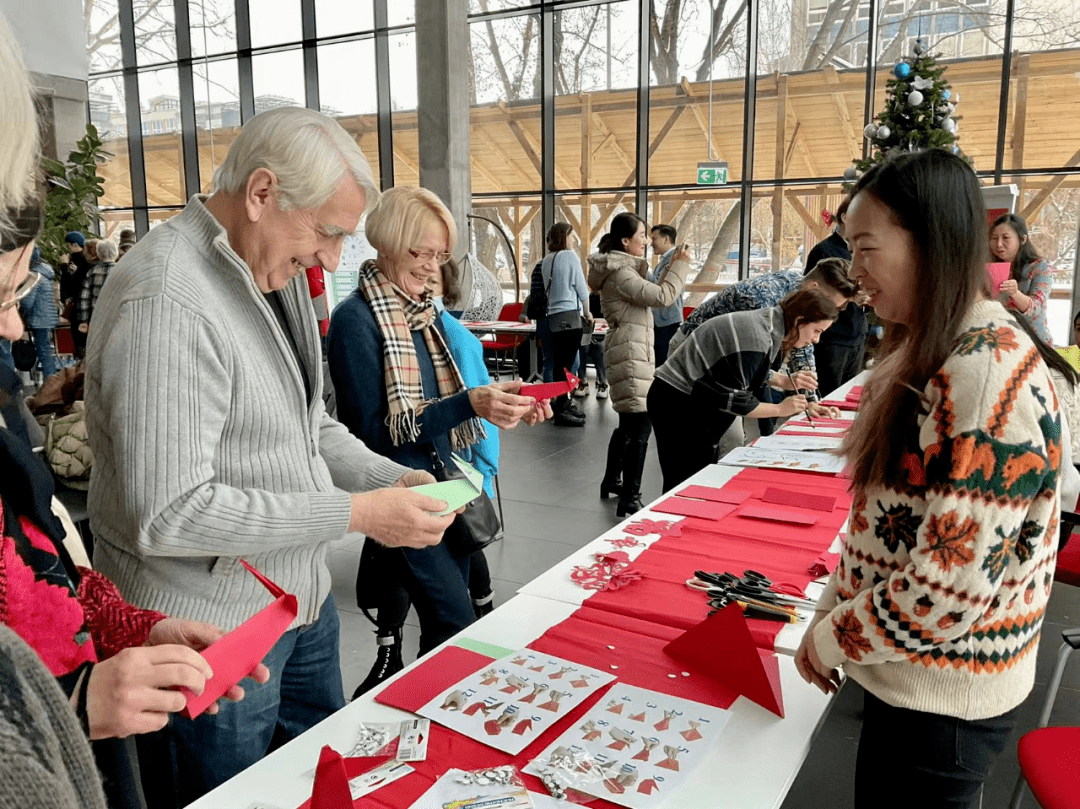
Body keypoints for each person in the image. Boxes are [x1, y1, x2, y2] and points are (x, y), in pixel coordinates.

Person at [85, 107, 460, 805]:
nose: (334, 259)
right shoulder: (166, 296)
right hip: (210, 634)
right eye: (328, 232)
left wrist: (393, 479)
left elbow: (307, 424)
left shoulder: (275, 274)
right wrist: (356, 513)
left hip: (297, 607)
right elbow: (168, 513)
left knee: (313, 788)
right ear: (261, 194)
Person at [794, 149, 1067, 808]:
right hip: (914, 676)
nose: (854, 272)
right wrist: (834, 609)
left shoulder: (979, 375)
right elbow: (884, 523)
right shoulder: (935, 345)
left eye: (865, 248)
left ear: (929, 241)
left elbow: (947, 590)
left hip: (942, 702)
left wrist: (832, 636)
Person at [327, 186, 549, 697]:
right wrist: (470, 404)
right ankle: (433, 719)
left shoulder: (427, 316)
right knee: (452, 619)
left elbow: (451, 401)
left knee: (460, 618)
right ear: (386, 242)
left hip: (450, 485)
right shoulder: (357, 321)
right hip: (403, 496)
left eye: (440, 255)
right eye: (419, 252)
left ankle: (437, 713)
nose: (431, 268)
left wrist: (507, 401)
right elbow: (373, 435)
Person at [649, 289, 838, 491]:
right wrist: (781, 409)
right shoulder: (757, 336)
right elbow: (736, 400)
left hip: (692, 396)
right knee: (683, 482)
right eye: (817, 331)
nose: (816, 340)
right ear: (799, 320)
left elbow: (742, 369)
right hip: (678, 402)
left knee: (694, 477)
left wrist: (783, 381)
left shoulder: (768, 323)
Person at [589, 212, 691, 516]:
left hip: (630, 351)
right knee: (640, 428)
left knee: (628, 426)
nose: (647, 240)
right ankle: (630, 498)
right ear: (626, 240)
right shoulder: (622, 274)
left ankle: (612, 480)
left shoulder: (623, 270)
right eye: (643, 235)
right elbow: (664, 296)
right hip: (630, 355)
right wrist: (680, 265)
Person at [804, 198, 869, 395]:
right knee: (829, 394)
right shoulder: (824, 250)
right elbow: (810, 295)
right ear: (845, 218)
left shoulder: (863, 249)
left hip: (858, 333)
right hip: (832, 337)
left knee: (848, 395)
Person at [541, 223, 590, 426]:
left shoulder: (546, 260)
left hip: (553, 318)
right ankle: (562, 408)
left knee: (559, 364)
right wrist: (588, 312)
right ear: (564, 237)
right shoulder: (570, 257)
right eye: (571, 235)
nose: (573, 240)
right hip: (571, 318)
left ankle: (563, 403)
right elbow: (581, 288)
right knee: (567, 366)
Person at [991, 212, 1053, 344]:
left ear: (1023, 239)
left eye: (1005, 238)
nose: (999, 244)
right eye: (994, 238)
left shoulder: (1040, 266)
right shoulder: (988, 267)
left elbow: (1036, 309)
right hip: (1000, 340)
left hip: (1034, 342)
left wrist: (1015, 293)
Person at [20, 247, 60, 379]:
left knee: (44, 352)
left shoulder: (33, 276)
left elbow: (28, 302)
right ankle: (52, 380)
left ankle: (50, 382)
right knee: (46, 351)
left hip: (39, 318)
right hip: (47, 317)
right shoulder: (46, 273)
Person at [648, 224, 683, 366]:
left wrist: (642, 274)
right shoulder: (663, 261)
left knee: (663, 362)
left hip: (667, 319)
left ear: (666, 239)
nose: (651, 243)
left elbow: (660, 287)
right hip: (661, 320)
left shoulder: (675, 260)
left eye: (654, 238)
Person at [76, 238, 117, 334]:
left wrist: (84, 320)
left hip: (97, 316)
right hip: (117, 316)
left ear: (98, 254)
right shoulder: (121, 270)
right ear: (116, 252)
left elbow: (84, 297)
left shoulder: (92, 272)